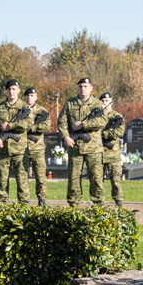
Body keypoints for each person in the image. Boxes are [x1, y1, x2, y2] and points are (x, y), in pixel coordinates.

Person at [57, 77, 109, 207]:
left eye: (85, 86)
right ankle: (73, 206)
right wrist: (66, 137)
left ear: (91, 88)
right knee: (73, 178)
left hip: (93, 148)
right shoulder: (70, 104)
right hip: (75, 147)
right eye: (80, 86)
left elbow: (102, 121)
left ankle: (98, 207)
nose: (83, 89)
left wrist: (83, 125)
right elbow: (62, 122)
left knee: (96, 178)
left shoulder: (97, 104)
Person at [0, 79, 34, 204]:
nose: (11, 92)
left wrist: (10, 126)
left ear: (19, 90)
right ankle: (1, 206)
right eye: (9, 89)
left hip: (20, 150)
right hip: (3, 149)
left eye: (14, 89)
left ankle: (23, 206)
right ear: (6, 91)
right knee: (2, 182)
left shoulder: (25, 108)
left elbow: (29, 123)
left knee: (22, 181)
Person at [24, 87, 51, 207]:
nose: (29, 98)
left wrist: (32, 128)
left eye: (32, 96)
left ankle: (42, 199)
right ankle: (24, 199)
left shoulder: (42, 111)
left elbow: (46, 126)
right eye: (27, 96)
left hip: (37, 148)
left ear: (36, 97)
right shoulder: (20, 109)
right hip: (22, 147)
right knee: (22, 176)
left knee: (40, 175)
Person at [100, 92, 126, 207]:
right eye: (102, 101)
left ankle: (118, 201)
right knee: (97, 180)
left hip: (112, 154)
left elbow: (119, 132)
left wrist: (103, 134)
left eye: (107, 101)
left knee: (115, 180)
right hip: (98, 153)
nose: (104, 103)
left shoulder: (117, 117)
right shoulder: (96, 116)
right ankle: (98, 202)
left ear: (111, 102)